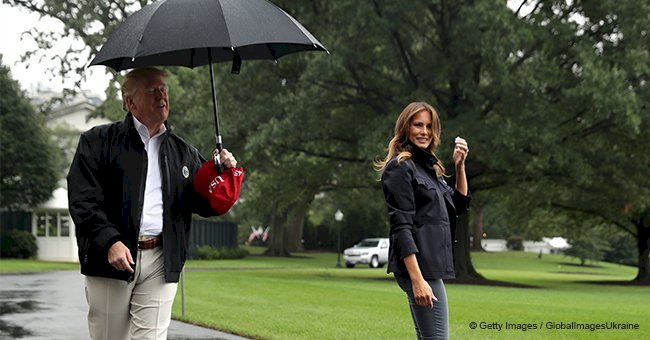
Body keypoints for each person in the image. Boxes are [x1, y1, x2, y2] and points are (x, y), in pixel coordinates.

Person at [67, 67, 238, 340]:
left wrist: (219, 173)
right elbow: (82, 200)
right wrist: (110, 240)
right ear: (129, 101)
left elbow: (204, 204)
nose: (161, 96)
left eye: (164, 89)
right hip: (111, 260)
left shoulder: (183, 152)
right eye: (152, 90)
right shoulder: (97, 142)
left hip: (162, 257)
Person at [376, 102, 470, 339]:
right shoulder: (400, 168)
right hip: (419, 268)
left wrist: (460, 166)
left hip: (429, 267)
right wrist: (417, 280)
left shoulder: (429, 168)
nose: (424, 132)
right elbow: (401, 227)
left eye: (429, 126)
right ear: (406, 127)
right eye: (418, 125)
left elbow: (459, 205)